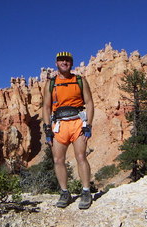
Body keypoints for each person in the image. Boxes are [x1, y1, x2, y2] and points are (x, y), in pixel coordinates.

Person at [42, 51, 94, 209]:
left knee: (81, 156)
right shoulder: (51, 83)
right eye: (61, 60)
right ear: (56, 63)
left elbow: (90, 102)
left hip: (77, 122)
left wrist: (88, 125)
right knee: (58, 160)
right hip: (59, 124)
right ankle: (65, 192)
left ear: (71, 63)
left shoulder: (80, 80)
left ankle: (86, 191)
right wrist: (47, 129)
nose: (64, 62)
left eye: (67, 60)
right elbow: (45, 106)